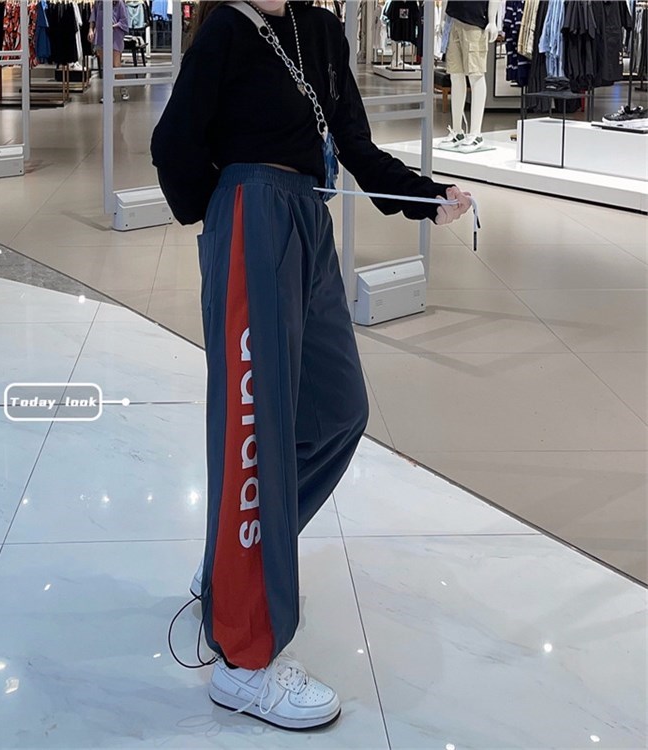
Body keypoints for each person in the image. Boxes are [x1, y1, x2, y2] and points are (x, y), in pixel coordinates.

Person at [151, 0, 472, 732]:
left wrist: (426, 196)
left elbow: (353, 144)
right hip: (252, 213)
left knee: (336, 409)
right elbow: (174, 145)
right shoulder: (226, 29)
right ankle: (243, 662)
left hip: (307, 216)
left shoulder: (321, 31)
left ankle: (235, 561)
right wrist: (225, 206)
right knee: (255, 427)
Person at [88, 0, 130, 101]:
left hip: (115, 35)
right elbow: (93, 16)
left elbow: (124, 20)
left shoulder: (119, 3)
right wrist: (91, 30)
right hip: (101, 35)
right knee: (106, 66)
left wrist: (113, 26)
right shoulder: (99, 2)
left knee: (116, 65)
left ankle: (123, 88)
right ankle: (108, 93)